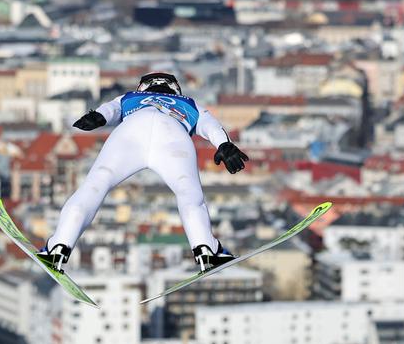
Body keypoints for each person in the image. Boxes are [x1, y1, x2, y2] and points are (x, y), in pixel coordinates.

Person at [36, 72, 249, 272]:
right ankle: (207, 252)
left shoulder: (131, 97)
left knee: (95, 185)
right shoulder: (189, 103)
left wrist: (98, 117)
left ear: (143, 87)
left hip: (131, 132)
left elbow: (110, 110)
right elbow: (211, 125)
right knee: (189, 193)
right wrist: (224, 144)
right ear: (176, 90)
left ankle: (59, 247)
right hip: (173, 134)